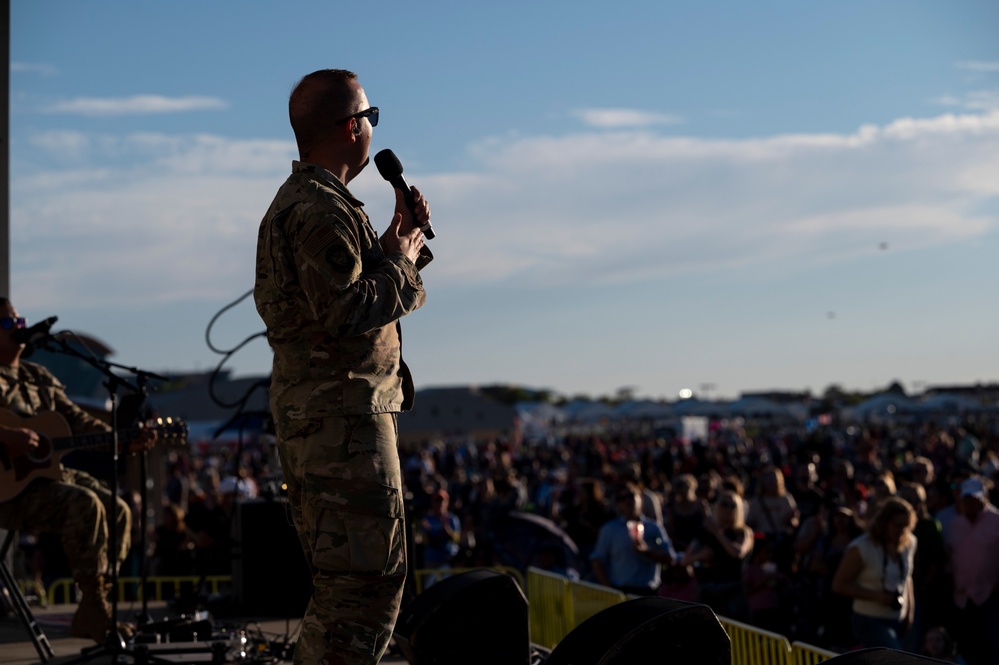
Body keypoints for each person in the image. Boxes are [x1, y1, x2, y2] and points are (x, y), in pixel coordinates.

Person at [253, 68, 433, 665]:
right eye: (370, 116)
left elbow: (338, 291)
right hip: (343, 425)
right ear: (350, 127)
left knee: (347, 589)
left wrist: (392, 241)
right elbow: (344, 310)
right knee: (364, 592)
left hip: (329, 423)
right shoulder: (319, 211)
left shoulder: (313, 205)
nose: (371, 128)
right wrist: (403, 265)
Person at [0, 296, 153, 645]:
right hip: (8, 493)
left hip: (45, 480)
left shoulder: (38, 377)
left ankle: (93, 604)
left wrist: (123, 440)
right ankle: (95, 608)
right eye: (8, 324)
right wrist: (10, 435)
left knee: (119, 510)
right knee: (85, 504)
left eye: (19, 322)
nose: (18, 329)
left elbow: (80, 424)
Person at [831, 496, 917, 650]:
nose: (902, 531)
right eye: (898, 525)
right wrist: (876, 596)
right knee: (894, 659)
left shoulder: (909, 542)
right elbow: (839, 585)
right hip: (870, 619)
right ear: (885, 523)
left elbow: (907, 578)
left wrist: (910, 610)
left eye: (906, 526)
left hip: (899, 618)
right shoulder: (861, 547)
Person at [590, 482, 678, 596]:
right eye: (622, 498)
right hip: (621, 593)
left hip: (648, 593)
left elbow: (671, 559)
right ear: (617, 503)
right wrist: (610, 590)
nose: (627, 501)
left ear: (640, 498)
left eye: (631, 496)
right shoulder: (610, 529)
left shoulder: (654, 527)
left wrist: (647, 551)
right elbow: (597, 561)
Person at [947, 476, 999, 665]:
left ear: (984, 497)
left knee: (993, 647)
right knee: (969, 648)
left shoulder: (996, 520)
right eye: (966, 499)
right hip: (963, 597)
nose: (970, 503)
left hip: (991, 597)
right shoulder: (956, 524)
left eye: (974, 499)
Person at [683, 490, 755, 620]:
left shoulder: (743, 532)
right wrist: (701, 555)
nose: (728, 509)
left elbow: (737, 552)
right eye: (724, 504)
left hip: (731, 592)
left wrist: (717, 533)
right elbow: (685, 560)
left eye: (732, 506)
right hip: (706, 591)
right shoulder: (705, 531)